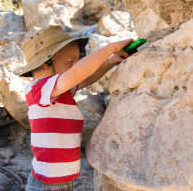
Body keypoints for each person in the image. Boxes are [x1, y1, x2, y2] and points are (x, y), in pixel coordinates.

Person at [19, 24, 133, 191]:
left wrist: (111, 62)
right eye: (71, 62)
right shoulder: (39, 89)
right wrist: (111, 48)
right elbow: (79, 72)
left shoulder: (56, 91)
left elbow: (85, 78)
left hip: (60, 181)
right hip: (47, 184)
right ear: (46, 63)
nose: (75, 66)